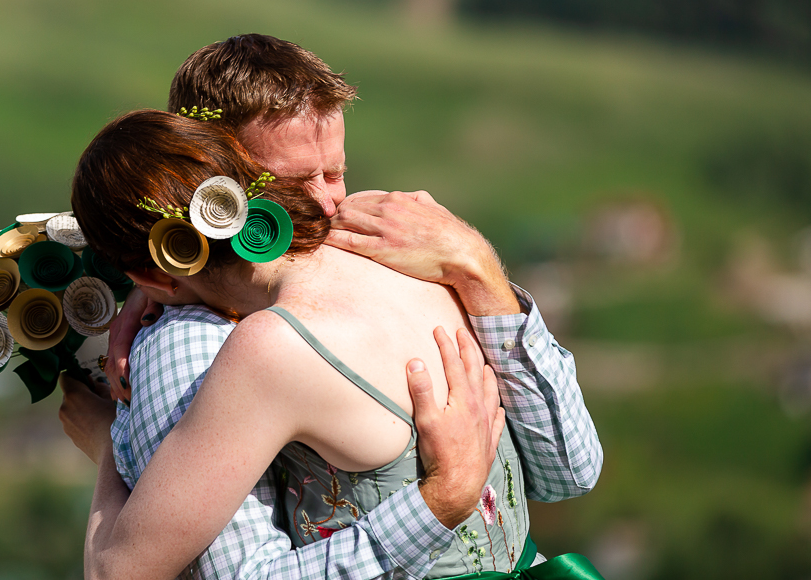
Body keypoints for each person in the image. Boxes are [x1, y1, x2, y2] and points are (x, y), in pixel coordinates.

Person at [65, 35, 602, 579]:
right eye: (298, 181)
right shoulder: (412, 255)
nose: (326, 204)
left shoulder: (285, 333)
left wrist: (109, 438)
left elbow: (123, 572)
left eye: (336, 173)